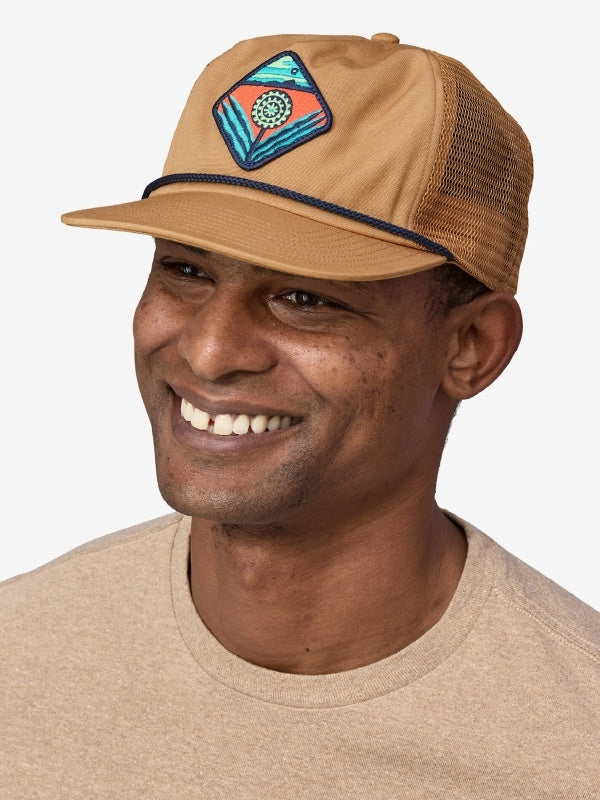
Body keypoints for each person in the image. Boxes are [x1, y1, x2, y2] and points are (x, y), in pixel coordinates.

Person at [1, 31, 598, 798]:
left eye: (305, 298)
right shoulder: (18, 656)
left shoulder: (578, 744)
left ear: (471, 347)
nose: (209, 352)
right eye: (185, 270)